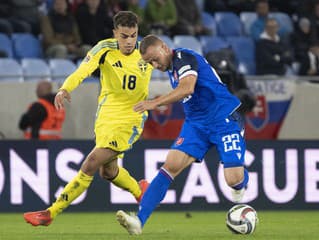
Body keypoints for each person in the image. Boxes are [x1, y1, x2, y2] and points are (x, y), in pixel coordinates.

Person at [23, 11, 152, 227]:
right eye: (124, 36)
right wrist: (64, 89)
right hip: (106, 117)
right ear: (115, 33)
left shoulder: (147, 51)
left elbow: (172, 67)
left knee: (91, 162)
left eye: (133, 35)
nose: (129, 41)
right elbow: (82, 71)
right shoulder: (104, 49)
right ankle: (141, 191)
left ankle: (50, 213)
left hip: (132, 117)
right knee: (108, 171)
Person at [116, 34, 249, 235]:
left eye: (154, 59)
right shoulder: (171, 68)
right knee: (170, 165)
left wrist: (154, 103)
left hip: (223, 118)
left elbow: (187, 88)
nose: (154, 65)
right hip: (196, 124)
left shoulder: (184, 58)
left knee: (233, 180)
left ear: (163, 47)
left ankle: (241, 183)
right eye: (148, 62)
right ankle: (139, 221)